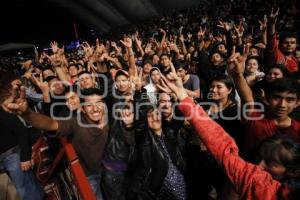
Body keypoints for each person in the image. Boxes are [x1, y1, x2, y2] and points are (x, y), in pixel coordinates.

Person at [160, 59, 300, 199]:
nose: (259, 166)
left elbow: (222, 144)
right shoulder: (255, 121)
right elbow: (220, 143)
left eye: (272, 163)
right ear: (268, 98)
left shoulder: (295, 131)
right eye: (277, 98)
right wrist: (183, 98)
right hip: (229, 177)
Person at [3, 87, 109, 200]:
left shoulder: (109, 117)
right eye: (89, 105)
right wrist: (27, 114)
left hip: (106, 168)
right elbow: (51, 124)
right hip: (89, 174)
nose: (95, 108)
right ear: (83, 109)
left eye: (99, 103)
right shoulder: (75, 123)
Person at [0, 73, 44, 200]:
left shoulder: (4, 107)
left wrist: (25, 156)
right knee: (23, 185)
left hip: (11, 155)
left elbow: (20, 129)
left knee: (25, 189)